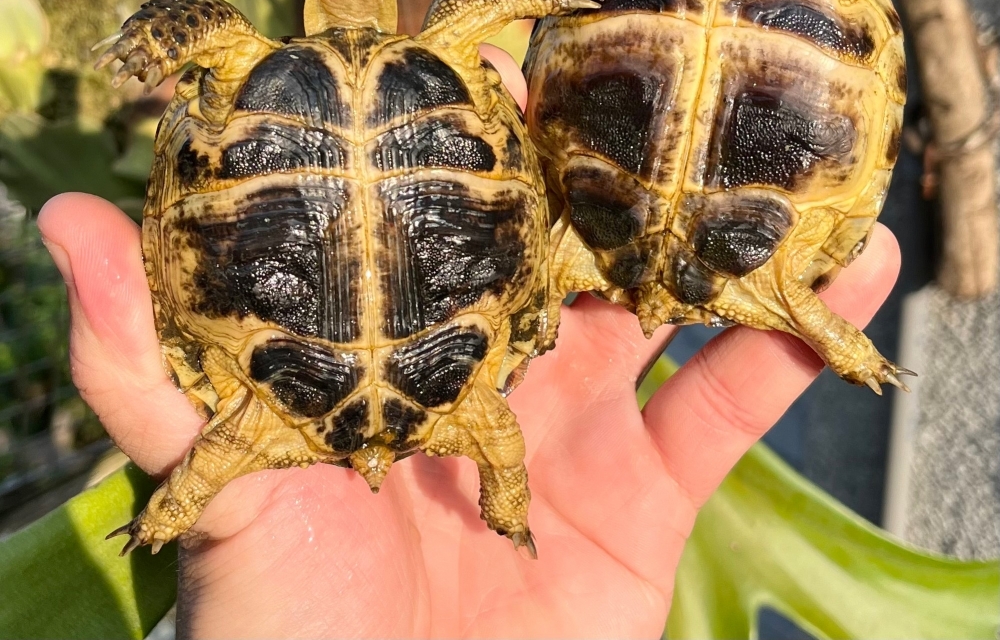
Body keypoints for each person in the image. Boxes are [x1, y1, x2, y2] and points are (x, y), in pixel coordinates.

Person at [37, 46, 900, 638]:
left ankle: (186, 507)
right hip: (441, 379)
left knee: (254, 451)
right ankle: (504, 511)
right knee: (490, 427)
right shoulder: (442, 54)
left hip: (284, 399)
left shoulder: (239, 61)